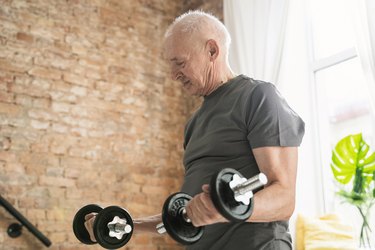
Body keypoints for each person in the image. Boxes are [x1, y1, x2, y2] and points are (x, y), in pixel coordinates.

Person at [84, 10, 305, 250]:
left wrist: (222, 210)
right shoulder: (194, 124)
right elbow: (187, 213)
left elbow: (284, 199)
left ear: (212, 51)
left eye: (180, 63)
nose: (173, 75)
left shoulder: (258, 97)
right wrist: (121, 224)